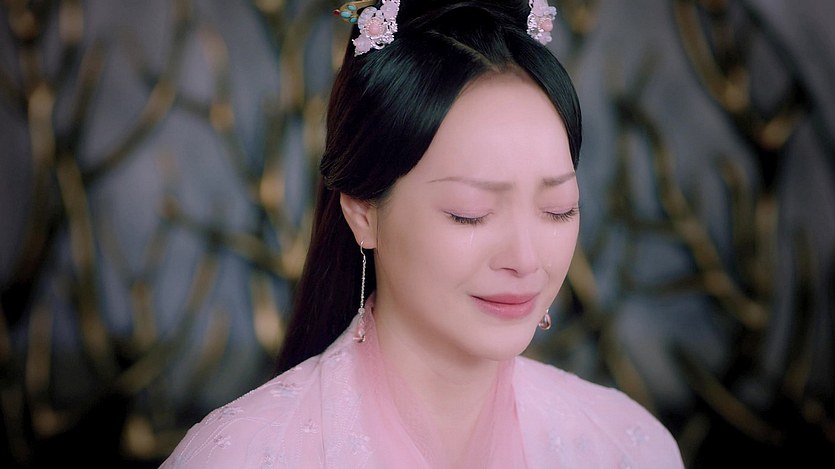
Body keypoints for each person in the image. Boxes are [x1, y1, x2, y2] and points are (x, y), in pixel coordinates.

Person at [160, 0, 684, 467]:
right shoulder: (241, 456)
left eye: (557, 209)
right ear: (363, 212)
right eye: (470, 213)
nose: (526, 259)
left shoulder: (624, 447)